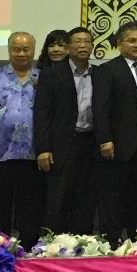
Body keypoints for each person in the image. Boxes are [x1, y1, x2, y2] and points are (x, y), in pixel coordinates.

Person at [0, 31, 44, 247]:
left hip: (33, 154)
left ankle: (30, 247)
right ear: (9, 50)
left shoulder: (42, 78)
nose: (21, 53)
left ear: (33, 50)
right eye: (16, 49)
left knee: (30, 206)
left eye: (26, 49)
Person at [93, 22, 137, 242]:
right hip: (119, 142)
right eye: (131, 40)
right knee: (115, 193)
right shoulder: (108, 70)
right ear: (120, 43)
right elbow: (100, 108)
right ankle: (112, 239)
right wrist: (105, 139)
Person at [34, 26, 98, 234]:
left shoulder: (99, 74)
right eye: (77, 42)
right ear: (69, 47)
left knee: (86, 197)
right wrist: (43, 148)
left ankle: (83, 243)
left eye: (86, 42)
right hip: (62, 145)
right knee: (58, 197)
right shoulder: (52, 75)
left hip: (90, 143)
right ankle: (55, 244)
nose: (82, 46)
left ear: (92, 47)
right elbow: (42, 113)